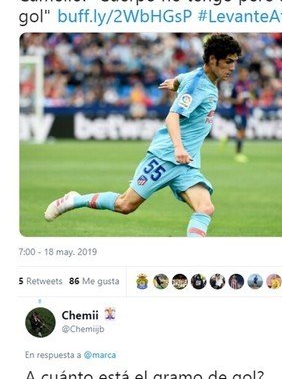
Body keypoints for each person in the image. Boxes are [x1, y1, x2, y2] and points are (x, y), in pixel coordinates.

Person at [44, 33, 242, 237]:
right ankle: (75, 200)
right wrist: (178, 147)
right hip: (166, 156)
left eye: (234, 62)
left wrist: (174, 83)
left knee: (205, 208)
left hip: (186, 163)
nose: (233, 67)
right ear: (212, 59)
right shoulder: (197, 85)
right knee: (125, 205)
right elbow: (172, 117)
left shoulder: (202, 79)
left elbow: (182, 79)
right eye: (228, 62)